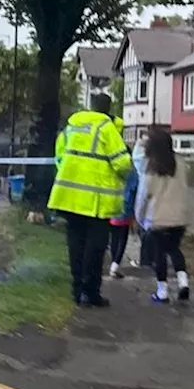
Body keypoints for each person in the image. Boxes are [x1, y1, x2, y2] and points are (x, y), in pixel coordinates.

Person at [49, 93, 133, 307]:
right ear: (108, 109)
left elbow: (59, 156)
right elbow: (122, 164)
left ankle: (77, 291)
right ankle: (90, 292)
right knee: (95, 250)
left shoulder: (72, 127)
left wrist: (72, 175)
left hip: (69, 198)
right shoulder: (106, 128)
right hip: (96, 202)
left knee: (75, 246)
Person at [134, 128, 193, 303]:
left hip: (157, 218)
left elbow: (144, 194)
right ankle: (183, 283)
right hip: (179, 217)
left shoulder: (151, 166)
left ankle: (162, 292)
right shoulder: (181, 163)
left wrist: (139, 217)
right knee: (174, 249)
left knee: (159, 255)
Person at [108, 132, 144, 279]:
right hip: (125, 209)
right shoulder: (132, 172)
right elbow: (136, 190)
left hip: (110, 207)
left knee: (113, 237)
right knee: (122, 238)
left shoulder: (111, 167)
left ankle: (112, 262)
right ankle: (115, 265)